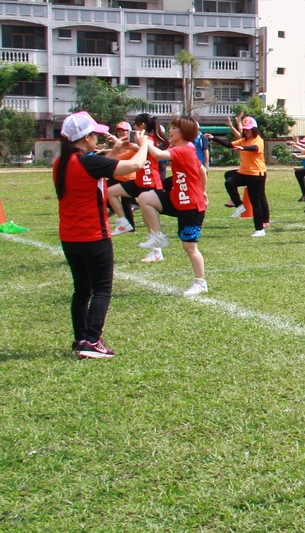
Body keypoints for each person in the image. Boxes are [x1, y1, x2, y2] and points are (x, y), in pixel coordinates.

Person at [55, 111, 150, 358]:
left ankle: (80, 338)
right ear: (86, 138)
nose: (98, 137)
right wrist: (144, 146)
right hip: (93, 235)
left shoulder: (62, 162)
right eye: (95, 134)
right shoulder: (89, 161)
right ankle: (92, 341)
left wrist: (114, 152)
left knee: (81, 290)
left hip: (69, 236)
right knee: (102, 290)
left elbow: (94, 169)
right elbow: (136, 165)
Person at [135, 116, 210, 296]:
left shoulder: (185, 149)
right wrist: (204, 190)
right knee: (145, 197)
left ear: (184, 132)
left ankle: (200, 283)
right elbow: (201, 170)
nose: (170, 131)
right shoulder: (181, 149)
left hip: (191, 206)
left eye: (174, 128)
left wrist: (144, 142)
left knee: (190, 248)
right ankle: (158, 237)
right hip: (178, 199)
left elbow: (158, 155)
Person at [211, 115, 269, 237]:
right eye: (245, 129)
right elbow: (229, 145)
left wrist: (242, 148)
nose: (246, 132)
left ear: (254, 129)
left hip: (255, 174)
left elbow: (254, 148)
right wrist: (213, 138)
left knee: (255, 202)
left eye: (249, 129)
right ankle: (239, 204)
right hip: (244, 172)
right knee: (229, 181)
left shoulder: (258, 139)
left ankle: (260, 229)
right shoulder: (244, 140)